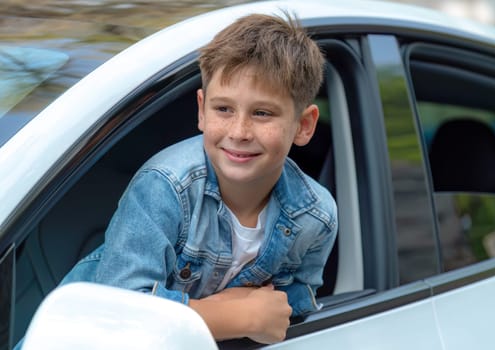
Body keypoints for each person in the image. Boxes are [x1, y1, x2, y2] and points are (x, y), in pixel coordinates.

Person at [59, 12, 337, 345]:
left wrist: (264, 313)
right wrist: (234, 316)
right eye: (224, 109)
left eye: (262, 113)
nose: (239, 131)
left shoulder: (315, 215)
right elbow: (122, 312)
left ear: (304, 125)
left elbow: (297, 301)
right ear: (202, 110)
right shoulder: (165, 187)